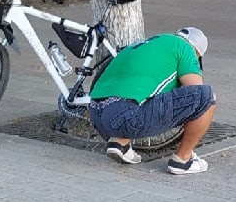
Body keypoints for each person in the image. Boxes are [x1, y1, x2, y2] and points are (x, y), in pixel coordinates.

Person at [88, 27, 216, 176]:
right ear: (197, 52)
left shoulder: (143, 44)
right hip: (124, 116)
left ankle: (120, 143)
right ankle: (183, 160)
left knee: (142, 92)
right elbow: (196, 90)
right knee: (207, 97)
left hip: (96, 115)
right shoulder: (185, 48)